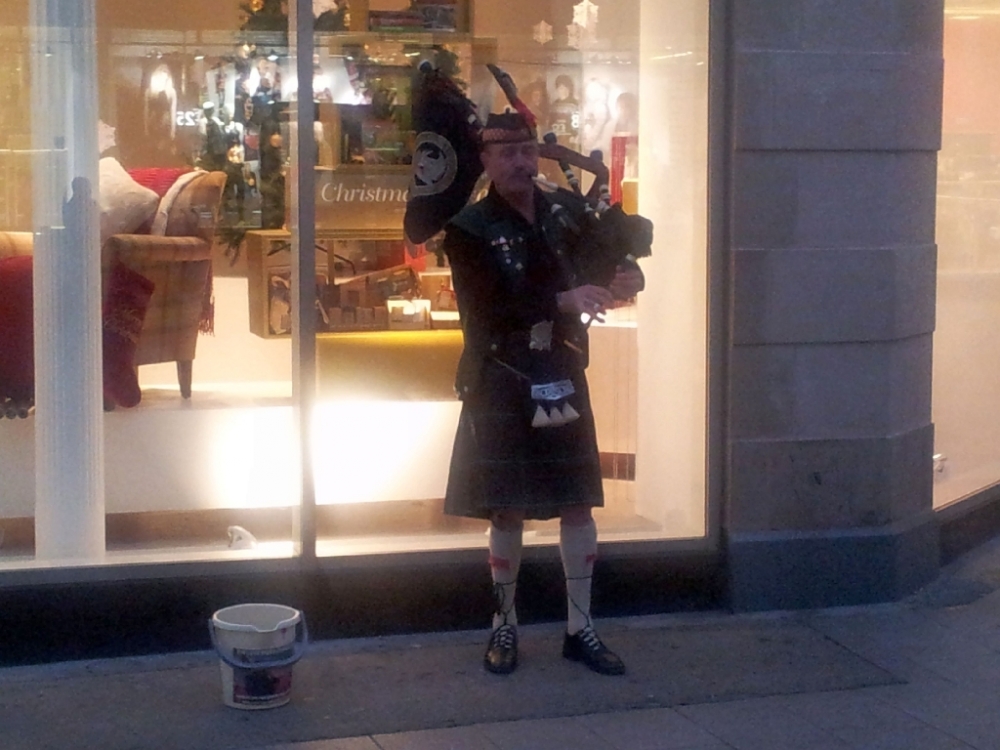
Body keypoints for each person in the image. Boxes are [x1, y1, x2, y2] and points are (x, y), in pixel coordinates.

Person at [442, 111, 644, 676]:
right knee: (506, 508)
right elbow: (483, 311)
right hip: (500, 376)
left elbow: (605, 263)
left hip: (561, 367)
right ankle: (503, 625)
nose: (521, 162)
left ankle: (581, 629)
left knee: (577, 504)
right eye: (506, 153)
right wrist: (562, 300)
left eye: (527, 150)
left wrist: (626, 278)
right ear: (485, 160)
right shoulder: (469, 228)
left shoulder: (566, 212)